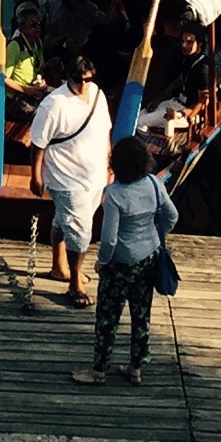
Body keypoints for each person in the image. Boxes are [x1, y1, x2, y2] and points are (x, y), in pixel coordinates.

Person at [71, 133, 176, 385]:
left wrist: (102, 262)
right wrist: (155, 232)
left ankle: (98, 371)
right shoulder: (153, 183)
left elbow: (109, 239)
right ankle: (136, 368)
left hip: (120, 263)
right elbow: (172, 216)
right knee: (141, 315)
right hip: (148, 257)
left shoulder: (114, 194)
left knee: (108, 318)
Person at [24, 54, 110, 308]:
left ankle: (58, 266)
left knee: (66, 220)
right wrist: (36, 176)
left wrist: (109, 159)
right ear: (67, 77)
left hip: (95, 175)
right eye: (77, 79)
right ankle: (75, 283)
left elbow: (105, 129)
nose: (83, 85)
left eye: (88, 79)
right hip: (66, 178)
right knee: (80, 232)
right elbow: (38, 144)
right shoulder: (53, 104)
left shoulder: (97, 95)